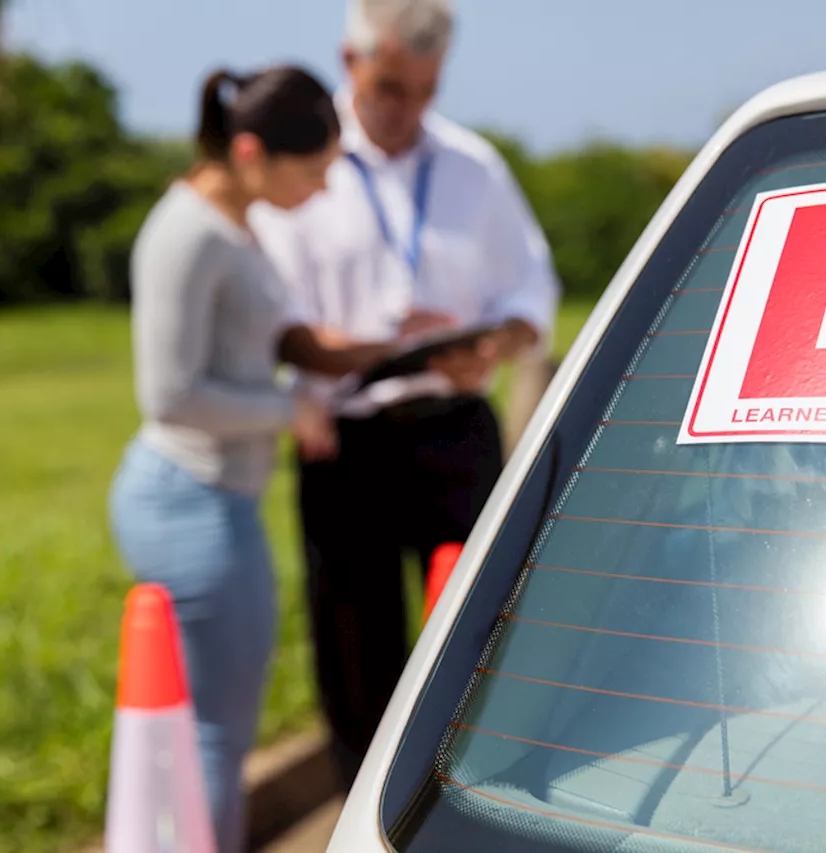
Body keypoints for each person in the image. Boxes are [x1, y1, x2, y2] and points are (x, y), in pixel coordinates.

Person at [249, 0, 561, 786]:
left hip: (453, 429)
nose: (409, 109)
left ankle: (487, 793)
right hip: (347, 439)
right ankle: (366, 800)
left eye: (425, 90)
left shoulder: (474, 166)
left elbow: (534, 292)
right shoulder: (300, 167)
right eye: (392, 88)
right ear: (349, 63)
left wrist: (493, 344)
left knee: (483, 625)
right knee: (354, 642)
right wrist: (369, 347)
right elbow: (271, 314)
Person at [107, 64, 389, 853]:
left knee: (213, 731)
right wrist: (288, 409)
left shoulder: (235, 220)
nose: (325, 191)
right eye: (314, 172)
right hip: (188, 499)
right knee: (212, 738)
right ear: (253, 151)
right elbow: (167, 395)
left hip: (217, 497)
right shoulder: (186, 233)